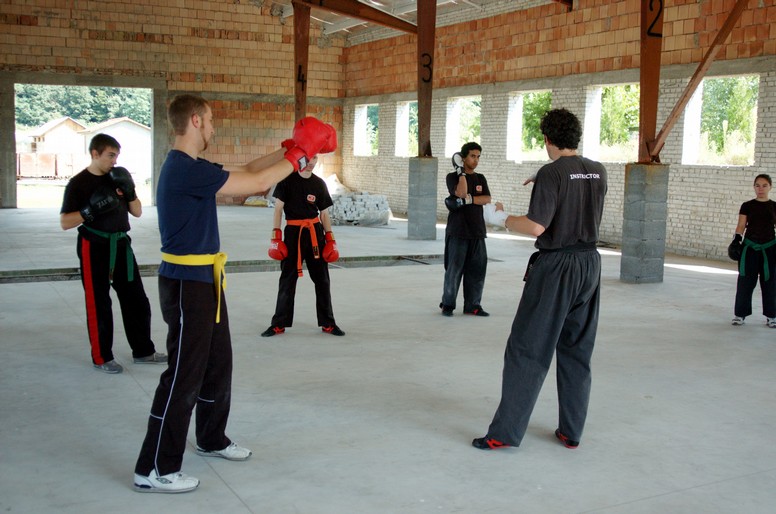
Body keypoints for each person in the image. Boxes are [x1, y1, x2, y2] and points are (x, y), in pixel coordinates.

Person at [133, 94, 337, 494]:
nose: (213, 127)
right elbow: (257, 185)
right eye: (210, 120)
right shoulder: (183, 169)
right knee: (183, 374)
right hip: (187, 283)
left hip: (205, 279)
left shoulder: (193, 166)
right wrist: (301, 154)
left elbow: (248, 169)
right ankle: (154, 467)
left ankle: (211, 438)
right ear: (195, 121)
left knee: (217, 363)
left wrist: (288, 149)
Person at [472, 108, 607, 451]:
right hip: (590, 265)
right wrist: (547, 176)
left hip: (557, 267)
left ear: (547, 139)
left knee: (527, 348)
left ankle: (504, 433)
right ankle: (571, 431)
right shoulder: (598, 170)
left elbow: (536, 226)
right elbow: (575, 179)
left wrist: (502, 218)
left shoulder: (552, 173)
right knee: (576, 349)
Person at [60, 133, 165, 374]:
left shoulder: (117, 178)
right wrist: (89, 211)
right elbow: (65, 222)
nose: (114, 161)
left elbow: (137, 212)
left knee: (136, 300)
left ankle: (143, 351)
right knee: (99, 303)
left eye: (116, 156)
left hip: (121, 245)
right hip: (93, 245)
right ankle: (102, 357)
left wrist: (130, 192)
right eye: (110, 155)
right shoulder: (78, 183)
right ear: (95, 153)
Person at [261, 157, 345, 338]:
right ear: (300, 158)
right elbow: (278, 209)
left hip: (315, 234)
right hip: (293, 234)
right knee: (287, 280)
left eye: (315, 158)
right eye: (308, 157)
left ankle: (328, 323)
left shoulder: (319, 184)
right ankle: (278, 324)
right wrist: (276, 236)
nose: (311, 162)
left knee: (322, 280)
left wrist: (330, 239)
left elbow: (324, 214)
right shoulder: (287, 181)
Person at [439, 142, 495, 317]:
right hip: (458, 231)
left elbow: (487, 198)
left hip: (477, 231)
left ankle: (473, 305)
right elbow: (461, 193)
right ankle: (448, 305)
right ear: (463, 158)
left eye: (478, 157)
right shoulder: (452, 177)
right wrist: (460, 172)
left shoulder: (480, 178)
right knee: (454, 270)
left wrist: (468, 201)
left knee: (477, 270)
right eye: (472, 156)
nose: (476, 160)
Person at [729, 174, 776, 327]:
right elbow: (741, 225)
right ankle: (740, 315)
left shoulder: (774, 206)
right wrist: (736, 240)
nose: (760, 189)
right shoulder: (747, 205)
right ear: (754, 187)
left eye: (764, 185)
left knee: (770, 282)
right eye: (757, 185)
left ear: (770, 187)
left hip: (769, 249)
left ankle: (772, 316)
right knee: (745, 281)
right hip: (750, 249)